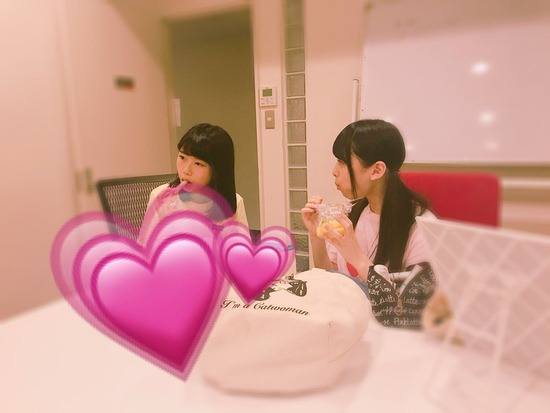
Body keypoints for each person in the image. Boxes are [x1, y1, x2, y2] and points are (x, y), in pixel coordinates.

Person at [301, 119, 436, 329]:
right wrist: (316, 237)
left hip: (389, 333)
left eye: (342, 162)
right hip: (348, 326)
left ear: (376, 170)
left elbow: (413, 310)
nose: (334, 171)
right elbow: (331, 278)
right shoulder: (351, 213)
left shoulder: (421, 226)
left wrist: (357, 258)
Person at [139, 123, 248, 243]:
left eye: (198, 164)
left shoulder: (233, 202)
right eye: (182, 157)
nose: (186, 170)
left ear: (216, 170)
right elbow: (146, 247)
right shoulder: (161, 197)